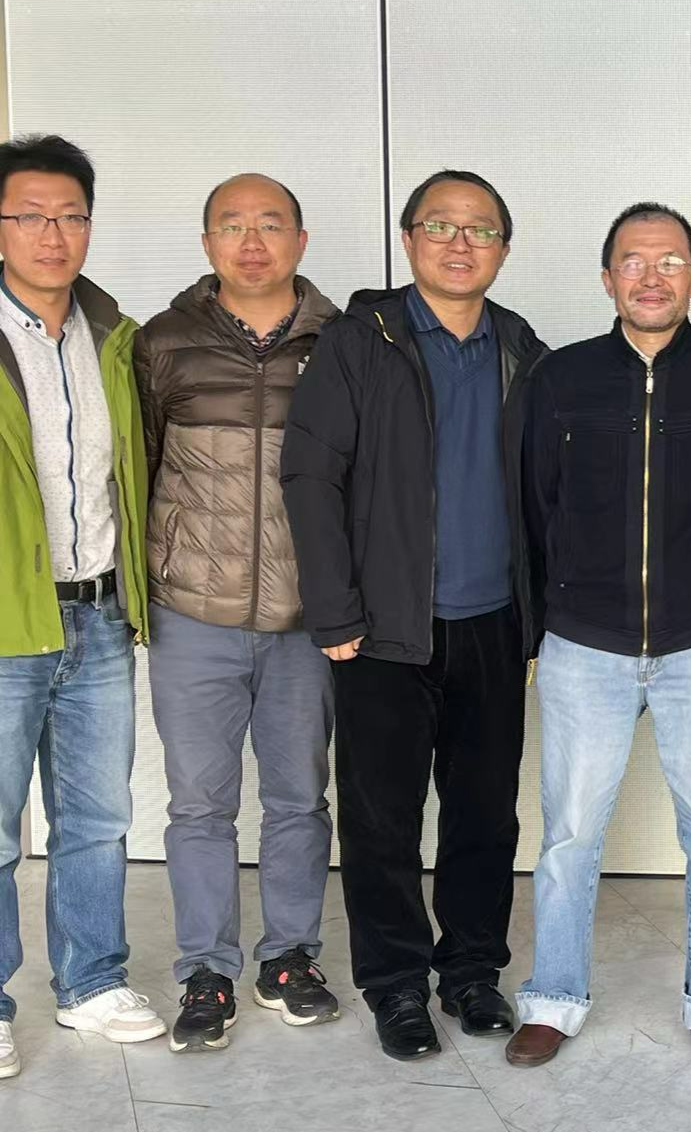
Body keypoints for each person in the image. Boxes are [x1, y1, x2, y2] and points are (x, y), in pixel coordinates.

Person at [281, 170, 546, 1061]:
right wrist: (334, 613)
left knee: (485, 815)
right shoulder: (361, 342)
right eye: (441, 225)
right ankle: (395, 984)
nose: (461, 243)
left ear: (503, 248)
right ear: (408, 239)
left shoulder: (523, 350)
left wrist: (540, 618)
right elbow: (309, 476)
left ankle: (471, 971)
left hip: (494, 624)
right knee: (382, 819)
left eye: (481, 230)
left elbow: (548, 492)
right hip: (382, 629)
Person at [506, 202, 691, 1069]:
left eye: (670, 262)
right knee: (570, 833)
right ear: (607, 277)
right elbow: (533, 507)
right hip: (586, 640)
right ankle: (553, 997)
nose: (651, 278)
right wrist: (541, 628)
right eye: (633, 261)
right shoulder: (560, 377)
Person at [136, 174, 341, 1053]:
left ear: (301, 239)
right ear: (207, 242)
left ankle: (289, 958)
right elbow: (139, 466)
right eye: (232, 225)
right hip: (193, 613)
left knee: (299, 799)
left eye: (270, 225)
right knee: (199, 806)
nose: (251, 242)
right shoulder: (162, 342)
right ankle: (206, 970)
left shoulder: (344, 343)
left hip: (305, 617)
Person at [0, 134, 164, 1080]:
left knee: (98, 817)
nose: (52, 234)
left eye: (70, 215)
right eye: (29, 215)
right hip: (5, 619)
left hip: (99, 614)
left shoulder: (118, 340)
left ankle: (92, 981)